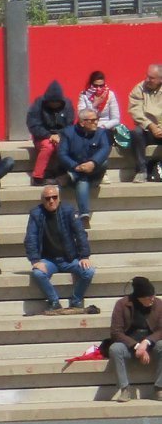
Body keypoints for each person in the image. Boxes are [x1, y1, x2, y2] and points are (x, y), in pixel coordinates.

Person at [25, 184, 96, 314]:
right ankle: (54, 301)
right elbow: (31, 237)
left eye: (54, 197)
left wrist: (84, 256)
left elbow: (80, 233)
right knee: (38, 273)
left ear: (59, 198)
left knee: (89, 271)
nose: (51, 201)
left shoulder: (68, 210)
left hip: (69, 258)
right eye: (47, 198)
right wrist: (35, 260)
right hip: (49, 260)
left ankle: (76, 300)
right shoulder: (36, 214)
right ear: (42, 200)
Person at [105, 277, 162, 403]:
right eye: (148, 298)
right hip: (129, 344)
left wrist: (146, 343)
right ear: (139, 297)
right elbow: (116, 332)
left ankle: (159, 387)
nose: (152, 299)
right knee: (115, 349)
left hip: (150, 344)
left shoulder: (159, 304)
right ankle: (124, 389)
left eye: (153, 296)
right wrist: (136, 346)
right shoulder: (122, 304)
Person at [56, 108, 112, 222]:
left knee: (104, 162)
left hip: (94, 172)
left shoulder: (101, 133)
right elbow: (62, 153)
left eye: (96, 119)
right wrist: (75, 166)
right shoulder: (68, 133)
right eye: (92, 120)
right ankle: (84, 214)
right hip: (76, 168)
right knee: (83, 179)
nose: (95, 122)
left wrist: (93, 162)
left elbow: (105, 149)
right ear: (82, 122)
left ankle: (72, 176)